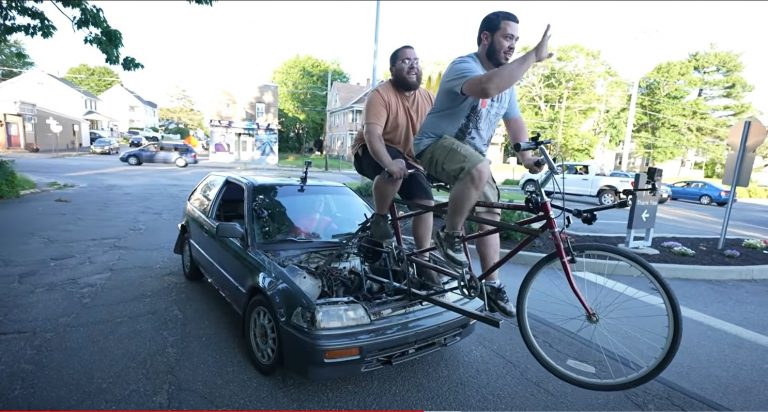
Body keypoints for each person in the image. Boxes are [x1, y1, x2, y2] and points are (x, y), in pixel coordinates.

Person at [412, 11, 552, 317]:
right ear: (485, 38)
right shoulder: (464, 66)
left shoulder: (508, 83)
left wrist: (526, 156)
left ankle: (492, 284)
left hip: (472, 159)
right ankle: (449, 236)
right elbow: (487, 87)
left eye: (516, 40)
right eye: (507, 37)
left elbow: (514, 121)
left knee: (491, 210)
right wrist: (533, 56)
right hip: (434, 145)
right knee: (478, 168)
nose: (512, 45)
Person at [350, 45, 439, 287]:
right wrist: (388, 163)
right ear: (392, 69)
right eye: (405, 61)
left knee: (426, 203)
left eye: (416, 60)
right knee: (395, 167)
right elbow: (373, 136)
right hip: (370, 151)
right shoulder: (380, 95)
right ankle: (380, 219)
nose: (413, 65)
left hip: (407, 159)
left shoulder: (428, 98)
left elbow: (439, 134)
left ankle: (423, 260)